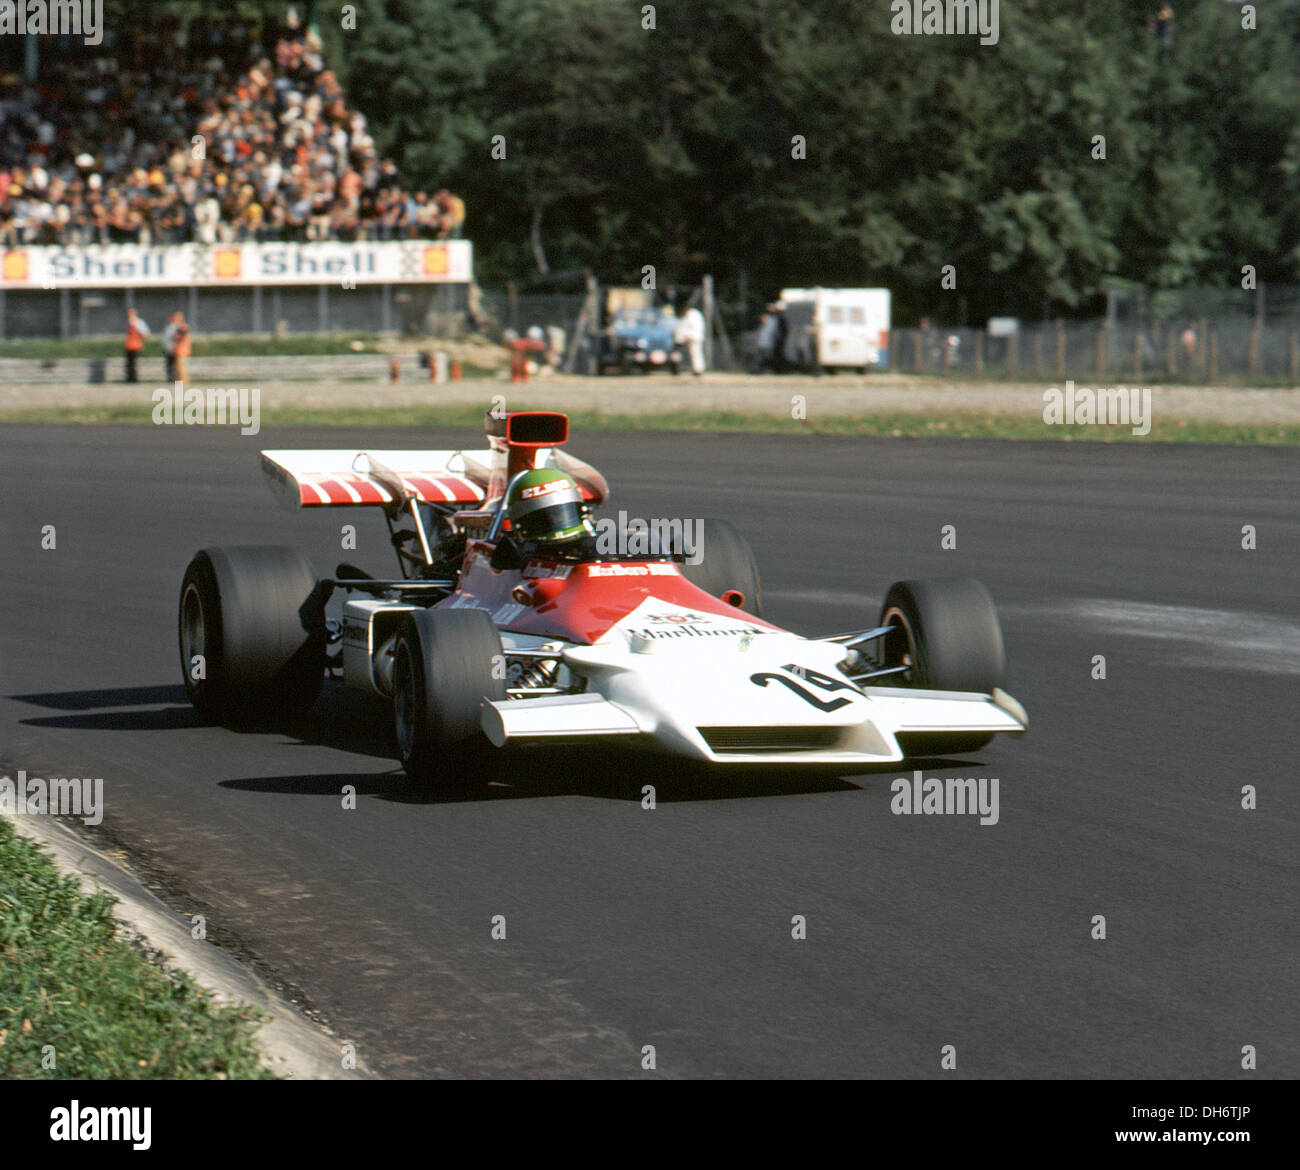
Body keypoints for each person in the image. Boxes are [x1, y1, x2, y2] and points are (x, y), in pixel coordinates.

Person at [674, 302, 707, 376]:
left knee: (696, 353)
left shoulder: (693, 315)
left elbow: (693, 328)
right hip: (689, 337)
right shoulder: (688, 315)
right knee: (692, 355)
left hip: (693, 337)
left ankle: (698, 370)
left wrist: (687, 336)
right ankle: (691, 369)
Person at [123, 308, 149, 383]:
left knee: (134, 362)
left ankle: (134, 378)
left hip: (135, 345)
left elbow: (145, 333)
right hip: (129, 345)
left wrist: (139, 337)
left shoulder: (138, 322)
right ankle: (130, 377)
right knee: (129, 362)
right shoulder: (128, 322)